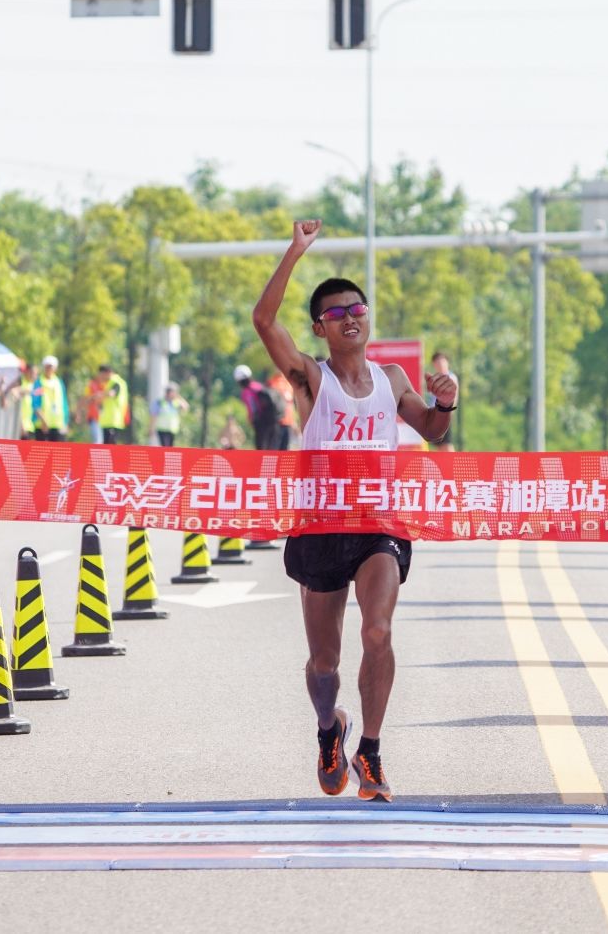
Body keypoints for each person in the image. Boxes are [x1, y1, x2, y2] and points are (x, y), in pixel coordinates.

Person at [252, 219, 456, 803]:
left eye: (357, 308)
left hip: (378, 527)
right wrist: (295, 252)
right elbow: (264, 322)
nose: (350, 317)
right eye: (337, 312)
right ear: (321, 327)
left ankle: (369, 747)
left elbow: (433, 431)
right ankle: (329, 728)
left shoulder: (392, 380)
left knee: (377, 628)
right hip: (320, 526)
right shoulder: (312, 380)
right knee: (324, 660)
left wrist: (447, 401)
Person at [235, 365, 285, 450]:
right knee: (272, 449)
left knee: (261, 449)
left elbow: (253, 409)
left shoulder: (246, 392)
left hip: (261, 423)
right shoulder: (258, 386)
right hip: (273, 422)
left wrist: (253, 420)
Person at [28, 357, 70, 442]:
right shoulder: (38, 382)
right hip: (42, 425)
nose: (49, 368)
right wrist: (43, 420)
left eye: (51, 366)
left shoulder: (59, 382)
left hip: (57, 425)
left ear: (55, 368)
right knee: (42, 453)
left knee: (58, 453)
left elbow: (64, 403)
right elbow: (35, 403)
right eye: (47, 366)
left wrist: (65, 422)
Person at [425, 352, 460, 452]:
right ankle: (443, 466)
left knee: (447, 444)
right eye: (437, 362)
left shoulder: (451, 377)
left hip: (445, 414)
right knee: (439, 446)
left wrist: (449, 413)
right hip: (435, 416)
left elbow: (454, 397)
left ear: (447, 363)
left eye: (442, 362)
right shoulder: (434, 379)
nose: (440, 364)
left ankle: (454, 466)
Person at [94, 365, 130, 445]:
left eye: (101, 375)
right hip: (108, 421)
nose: (101, 378)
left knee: (111, 447)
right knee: (107, 447)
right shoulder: (110, 383)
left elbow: (111, 393)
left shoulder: (116, 382)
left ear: (107, 373)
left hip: (113, 420)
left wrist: (99, 395)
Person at [150, 382, 189, 448]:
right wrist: (152, 428)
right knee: (165, 447)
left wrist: (178, 397)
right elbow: (154, 416)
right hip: (162, 429)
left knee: (170, 448)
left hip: (172, 430)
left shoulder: (175, 402)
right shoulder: (160, 402)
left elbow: (186, 407)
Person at [266, 369, 297, 449]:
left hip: (286, 422)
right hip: (278, 422)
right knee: (279, 450)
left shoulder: (288, 383)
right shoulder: (273, 383)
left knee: (281, 450)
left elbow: (290, 404)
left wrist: (293, 422)